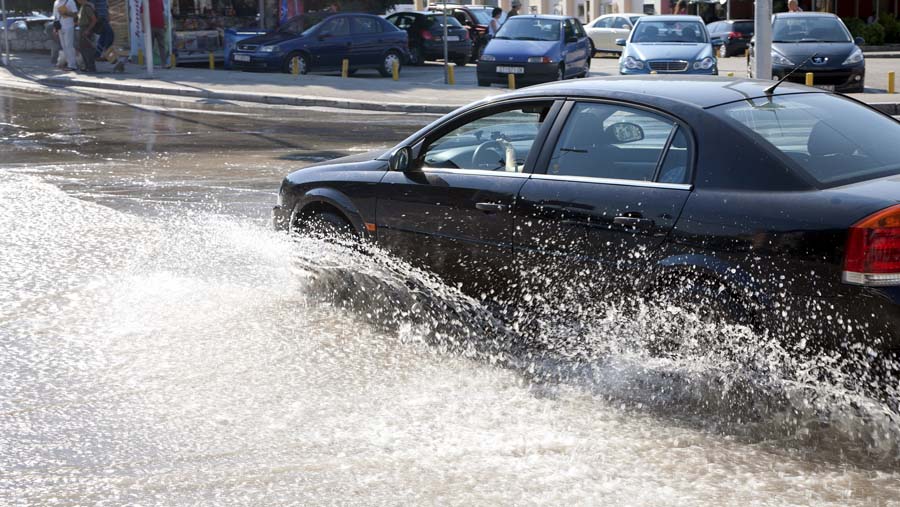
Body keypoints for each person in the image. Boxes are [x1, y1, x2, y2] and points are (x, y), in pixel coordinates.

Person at [52, 0, 78, 70]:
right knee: (64, 46)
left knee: (69, 45)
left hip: (69, 26)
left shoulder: (70, 1)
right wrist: (55, 28)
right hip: (60, 26)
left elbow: (75, 14)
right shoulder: (56, 2)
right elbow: (55, 16)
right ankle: (68, 63)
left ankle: (72, 65)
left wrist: (66, 13)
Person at [75, 0, 97, 72]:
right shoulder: (82, 7)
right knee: (82, 48)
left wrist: (88, 30)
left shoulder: (87, 7)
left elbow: (94, 20)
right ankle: (87, 66)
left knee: (88, 49)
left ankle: (91, 67)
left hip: (86, 28)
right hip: (82, 29)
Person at [148, 0, 168, 67]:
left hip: (159, 27)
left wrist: (164, 24)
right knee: (151, 46)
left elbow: (162, 12)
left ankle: (163, 63)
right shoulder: (146, 2)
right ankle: (150, 64)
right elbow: (142, 13)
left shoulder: (160, 1)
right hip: (151, 27)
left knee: (161, 45)